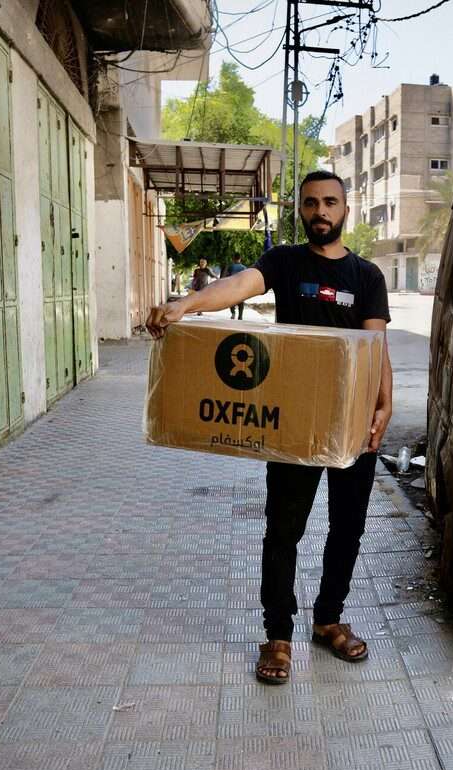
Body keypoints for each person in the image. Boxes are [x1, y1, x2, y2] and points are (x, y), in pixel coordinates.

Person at [146, 171, 393, 685]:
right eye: (310, 203)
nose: (320, 211)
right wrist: (186, 304)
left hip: (350, 424)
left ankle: (328, 619)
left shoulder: (367, 276)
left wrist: (384, 405)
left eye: (330, 202)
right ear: (300, 211)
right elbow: (238, 285)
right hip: (296, 423)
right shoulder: (284, 261)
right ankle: (277, 634)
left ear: (346, 209)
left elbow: (376, 349)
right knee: (284, 530)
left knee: (347, 528)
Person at [221, 254, 248, 319]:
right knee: (241, 302)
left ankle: (233, 313)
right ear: (240, 259)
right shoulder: (244, 268)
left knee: (231, 301)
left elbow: (227, 276)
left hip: (232, 286)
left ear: (233, 259)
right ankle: (240, 316)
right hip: (241, 287)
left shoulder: (231, 267)